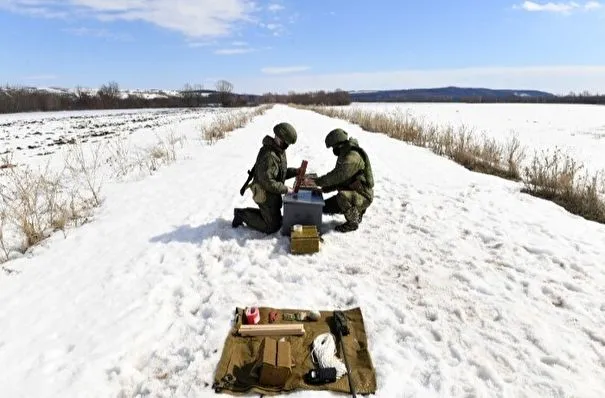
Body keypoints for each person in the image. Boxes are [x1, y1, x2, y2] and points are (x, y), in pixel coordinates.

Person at [232, 122, 300, 234]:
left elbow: (280, 174)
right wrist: (286, 189)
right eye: (286, 143)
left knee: (277, 220)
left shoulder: (279, 151)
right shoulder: (269, 155)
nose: (287, 146)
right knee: (272, 227)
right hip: (264, 193)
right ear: (278, 138)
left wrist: (295, 172)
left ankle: (260, 215)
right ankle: (241, 215)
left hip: (272, 191)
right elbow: (268, 182)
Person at [311, 128, 374, 232]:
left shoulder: (352, 157)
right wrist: (324, 189)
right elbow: (341, 180)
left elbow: (337, 176)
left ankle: (353, 222)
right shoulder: (345, 153)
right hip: (355, 191)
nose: (333, 150)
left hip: (363, 195)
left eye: (333, 147)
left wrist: (317, 182)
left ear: (338, 144)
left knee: (342, 197)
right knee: (324, 206)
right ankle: (357, 210)